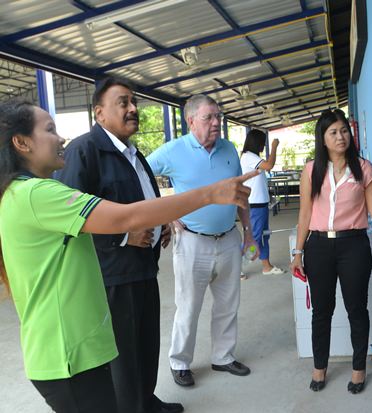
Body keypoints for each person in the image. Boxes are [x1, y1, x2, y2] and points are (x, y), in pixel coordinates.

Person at [0, 99, 257, 413]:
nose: (61, 138)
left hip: (74, 349)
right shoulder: (36, 194)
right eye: (50, 130)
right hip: (68, 355)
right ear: (22, 142)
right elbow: (126, 218)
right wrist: (210, 193)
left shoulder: (24, 192)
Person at [55, 77, 173, 413]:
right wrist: (123, 236)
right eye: (123, 102)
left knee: (146, 345)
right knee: (123, 356)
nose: (133, 109)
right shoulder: (85, 151)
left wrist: (161, 224)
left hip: (143, 269)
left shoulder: (134, 154)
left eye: (134, 102)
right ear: (99, 113)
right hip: (111, 275)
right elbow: (69, 217)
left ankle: (146, 402)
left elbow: (143, 201)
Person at [147, 94, 257, 388]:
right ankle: (179, 362)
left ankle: (223, 356)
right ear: (191, 120)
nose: (216, 123)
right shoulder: (173, 151)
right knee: (188, 306)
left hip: (228, 239)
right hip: (192, 242)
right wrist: (167, 212)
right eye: (209, 117)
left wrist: (248, 233)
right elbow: (140, 176)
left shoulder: (229, 149)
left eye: (218, 117)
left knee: (227, 304)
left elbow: (239, 194)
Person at [289, 109, 372, 395]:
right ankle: (319, 368)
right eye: (333, 132)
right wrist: (298, 252)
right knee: (322, 311)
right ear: (323, 139)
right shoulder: (311, 170)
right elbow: (305, 213)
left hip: (354, 246)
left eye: (344, 131)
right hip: (318, 247)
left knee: (356, 310)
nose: (341, 137)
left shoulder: (364, 169)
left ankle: (358, 369)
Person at [240, 129, 285, 275]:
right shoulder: (248, 156)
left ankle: (267, 266)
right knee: (255, 238)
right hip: (255, 205)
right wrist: (274, 147)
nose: (263, 146)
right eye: (263, 143)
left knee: (265, 235)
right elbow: (269, 165)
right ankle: (236, 268)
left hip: (261, 203)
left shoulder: (252, 157)